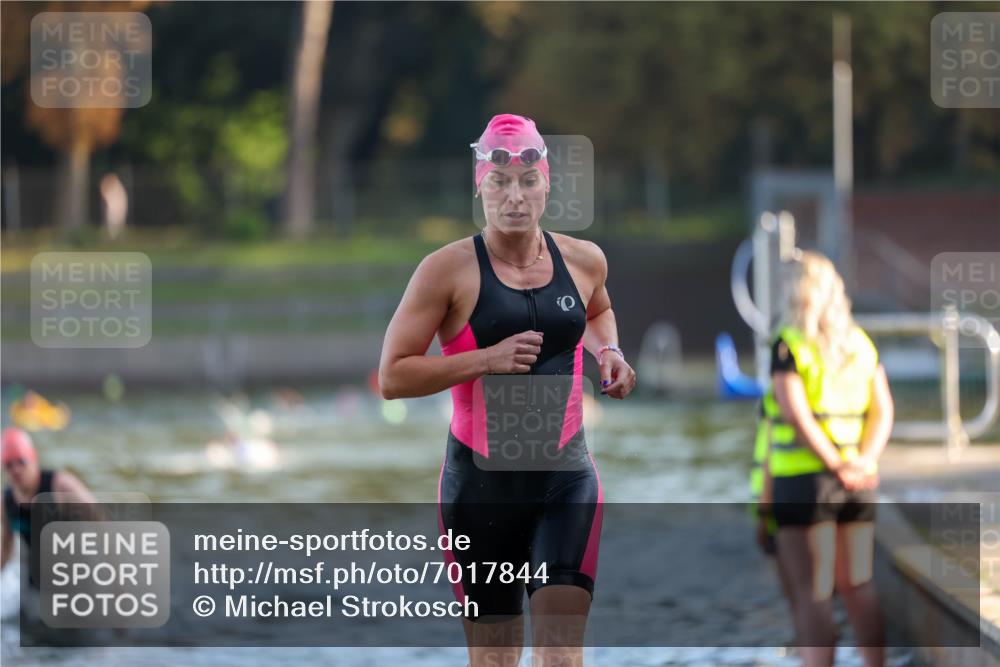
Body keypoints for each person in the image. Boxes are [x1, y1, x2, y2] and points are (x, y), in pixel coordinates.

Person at [378, 113, 636, 667]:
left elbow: (599, 310)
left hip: (566, 481)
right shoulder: (445, 270)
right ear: (480, 185)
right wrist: (486, 360)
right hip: (479, 491)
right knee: (495, 661)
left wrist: (608, 352)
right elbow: (393, 375)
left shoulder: (584, 260)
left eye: (527, 181)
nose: (514, 197)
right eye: (499, 183)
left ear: (547, 185)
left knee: (562, 654)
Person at [758, 251, 894, 667]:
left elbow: (795, 414)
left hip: (804, 481)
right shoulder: (860, 343)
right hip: (856, 482)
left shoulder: (790, 344)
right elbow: (883, 410)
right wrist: (863, 462)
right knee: (859, 586)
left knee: (811, 593)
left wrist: (834, 464)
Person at [1, 428, 99, 582]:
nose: (16, 470)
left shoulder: (61, 486)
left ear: (33, 458)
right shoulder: (6, 501)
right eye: (9, 465)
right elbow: (6, 547)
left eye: (21, 461)